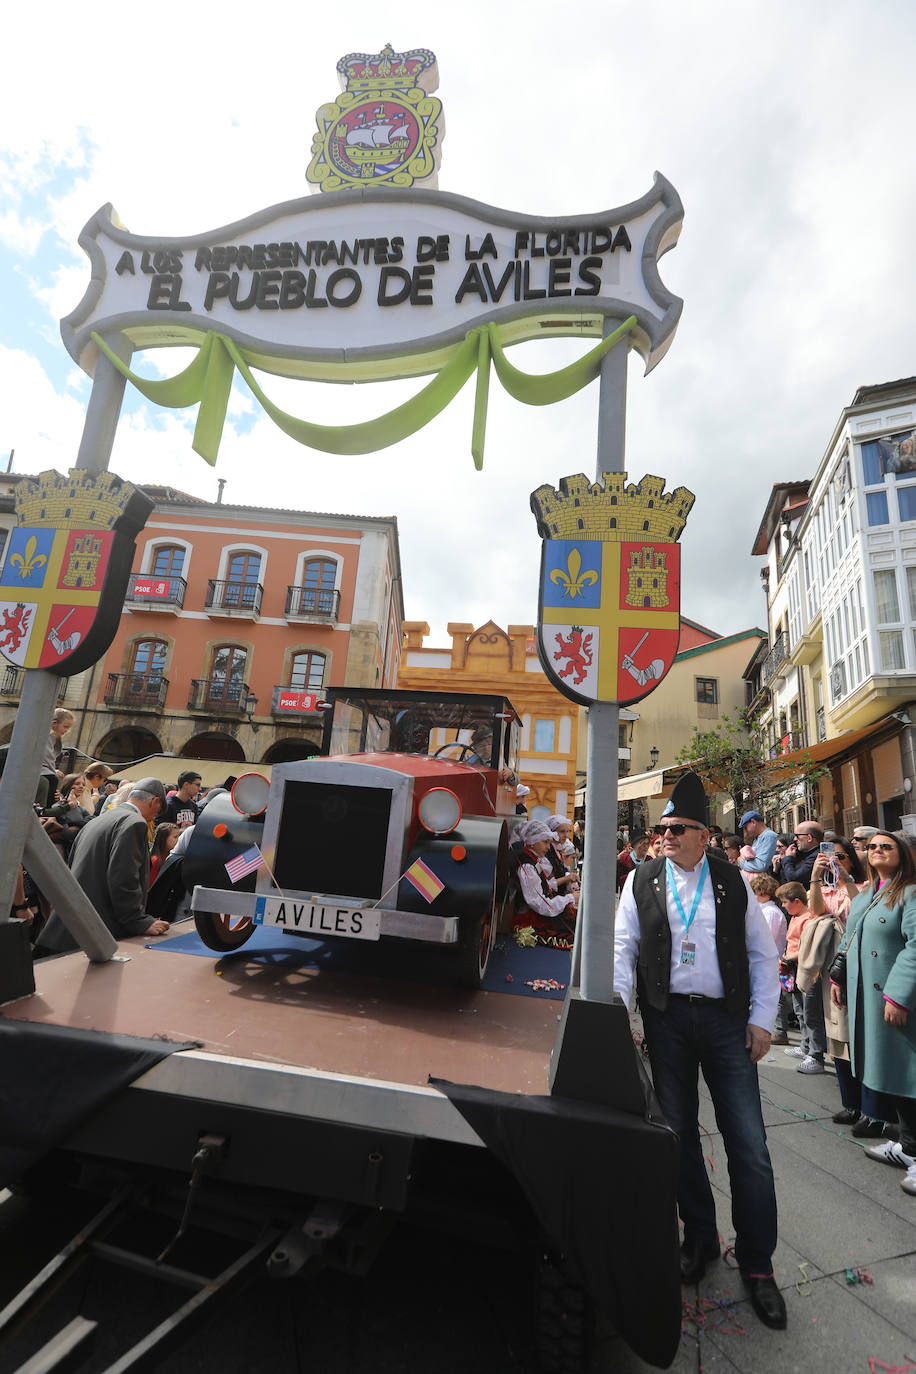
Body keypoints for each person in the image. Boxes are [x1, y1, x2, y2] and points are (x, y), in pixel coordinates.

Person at [614, 771, 785, 1328]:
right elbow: (623, 948)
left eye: (678, 828)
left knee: (749, 1144)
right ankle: (701, 1237)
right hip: (667, 1021)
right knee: (679, 1135)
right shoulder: (640, 880)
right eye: (662, 827)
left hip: (724, 1023)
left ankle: (758, 1265)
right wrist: (618, 1014)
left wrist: (763, 1020)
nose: (665, 834)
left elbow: (762, 955)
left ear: (705, 835)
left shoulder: (732, 881)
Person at [831, 829, 916, 1197]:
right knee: (892, 1075)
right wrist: (841, 978)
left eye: (887, 846)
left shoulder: (910, 892)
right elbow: (852, 938)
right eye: (872, 847)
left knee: (908, 1075)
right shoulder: (870, 891)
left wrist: (898, 996)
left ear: (905, 854)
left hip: (897, 1002)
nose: (877, 851)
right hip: (870, 998)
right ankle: (908, 1146)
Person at [35, 778, 171, 953]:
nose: (154, 817)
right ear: (155, 801)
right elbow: (124, 878)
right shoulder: (135, 823)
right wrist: (138, 922)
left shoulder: (98, 820)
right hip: (94, 933)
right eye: (158, 811)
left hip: (67, 927)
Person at [776, 881, 826, 1074]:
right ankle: (805, 1046)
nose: (783, 906)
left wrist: (790, 957)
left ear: (797, 901)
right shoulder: (796, 916)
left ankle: (816, 1054)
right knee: (800, 1010)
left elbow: (808, 948)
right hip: (793, 970)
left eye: (785, 902)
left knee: (811, 1012)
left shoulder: (807, 919)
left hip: (807, 971)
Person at [510, 818, 577, 949]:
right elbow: (539, 904)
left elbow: (543, 884)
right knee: (576, 932)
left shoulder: (534, 859)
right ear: (532, 842)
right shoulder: (527, 866)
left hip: (543, 910)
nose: (548, 847)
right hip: (535, 916)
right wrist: (570, 898)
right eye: (545, 842)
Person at [36, 708, 74, 808]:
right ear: (54, 723)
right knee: (52, 780)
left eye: (68, 728)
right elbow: (47, 757)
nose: (66, 730)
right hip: (41, 770)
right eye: (65, 727)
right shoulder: (48, 735)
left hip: (45, 769)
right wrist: (53, 771)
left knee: (53, 781)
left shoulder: (54, 737)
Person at [780, 819, 824, 887]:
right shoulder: (801, 854)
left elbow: (794, 880)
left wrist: (788, 858)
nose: (795, 839)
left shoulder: (817, 856)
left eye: (797, 836)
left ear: (809, 838)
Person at [737, 809, 778, 875]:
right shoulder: (757, 839)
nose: (745, 831)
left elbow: (761, 866)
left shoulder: (769, 836)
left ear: (753, 822)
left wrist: (741, 862)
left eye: (745, 827)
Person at [149, 822, 181, 886]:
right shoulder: (155, 861)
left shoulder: (172, 857)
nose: (179, 840)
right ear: (163, 839)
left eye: (179, 836)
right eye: (175, 837)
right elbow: (151, 886)